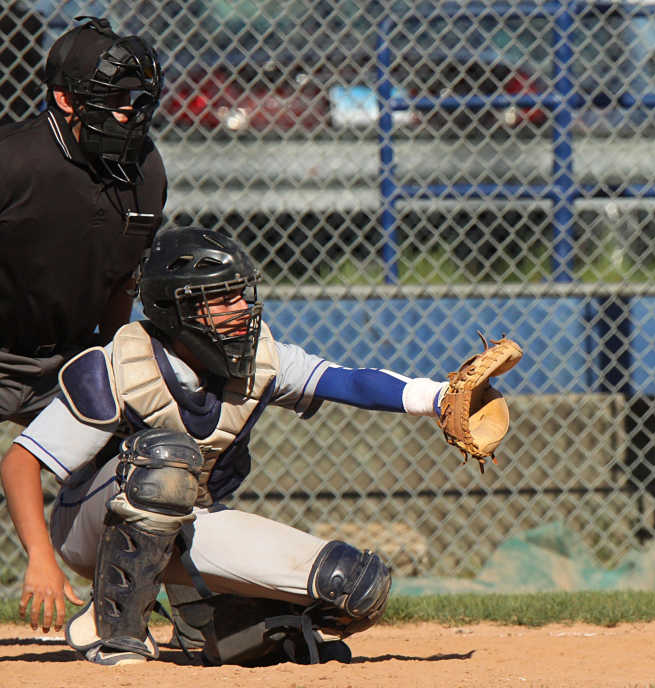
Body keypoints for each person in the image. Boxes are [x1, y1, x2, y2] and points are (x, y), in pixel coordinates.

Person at [0, 226, 474, 667]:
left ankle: (220, 628)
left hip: (188, 521)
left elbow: (347, 382)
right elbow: (21, 462)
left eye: (241, 295)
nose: (241, 309)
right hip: (89, 526)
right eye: (219, 299)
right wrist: (40, 558)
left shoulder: (261, 359)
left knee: (354, 585)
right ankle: (112, 627)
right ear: (174, 310)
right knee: (165, 459)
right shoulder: (118, 367)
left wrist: (437, 398)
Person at [0, 15, 166, 427]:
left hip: (71, 359)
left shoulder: (145, 169)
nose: (131, 112)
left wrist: (110, 365)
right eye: (115, 98)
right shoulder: (13, 161)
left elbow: (122, 280)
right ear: (66, 100)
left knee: (156, 464)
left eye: (139, 98)